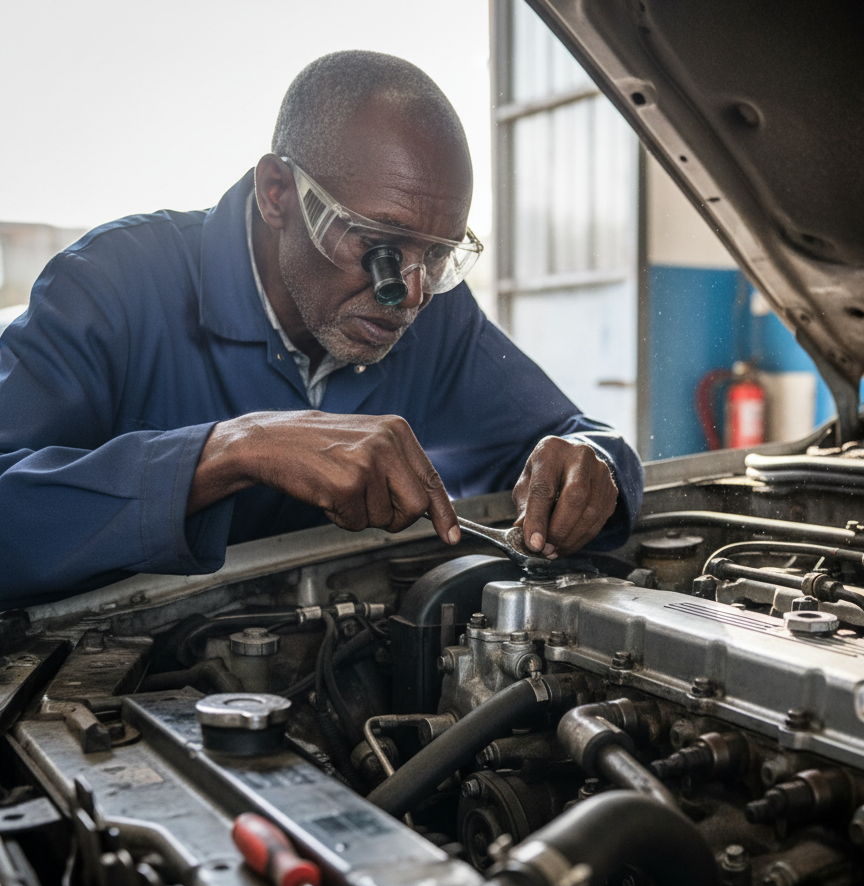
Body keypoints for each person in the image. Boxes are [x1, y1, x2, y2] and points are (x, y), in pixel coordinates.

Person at [0, 51, 643, 608]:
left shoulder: (436, 313)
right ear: (278, 193)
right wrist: (229, 451)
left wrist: (591, 465)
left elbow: (574, 435)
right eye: (379, 246)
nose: (410, 294)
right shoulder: (114, 286)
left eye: (438, 254)